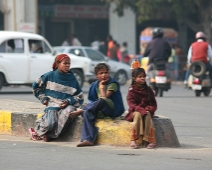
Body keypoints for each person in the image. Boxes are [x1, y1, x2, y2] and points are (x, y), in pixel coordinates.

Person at [29, 54, 84, 142]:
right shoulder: (49, 75)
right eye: (65, 63)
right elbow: (36, 87)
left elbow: (80, 96)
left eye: (69, 64)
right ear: (57, 64)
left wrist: (68, 101)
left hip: (66, 105)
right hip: (52, 104)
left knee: (68, 114)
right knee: (50, 124)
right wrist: (43, 98)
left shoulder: (72, 78)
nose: (67, 65)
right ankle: (37, 130)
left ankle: (50, 135)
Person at [76, 63, 125, 147]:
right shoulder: (94, 85)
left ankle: (82, 110)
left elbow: (105, 98)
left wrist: (102, 86)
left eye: (106, 72)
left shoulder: (112, 83)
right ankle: (89, 139)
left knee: (101, 101)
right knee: (87, 113)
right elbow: (92, 101)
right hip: (100, 109)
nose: (104, 75)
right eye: (101, 73)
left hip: (112, 109)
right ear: (96, 76)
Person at [125, 67, 157, 149]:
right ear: (134, 79)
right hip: (135, 111)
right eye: (140, 77)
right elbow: (132, 105)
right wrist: (140, 110)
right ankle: (133, 139)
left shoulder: (149, 90)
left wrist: (150, 108)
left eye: (143, 76)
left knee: (147, 115)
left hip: (146, 111)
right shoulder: (131, 90)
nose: (142, 78)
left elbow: (154, 103)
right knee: (138, 115)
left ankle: (150, 140)